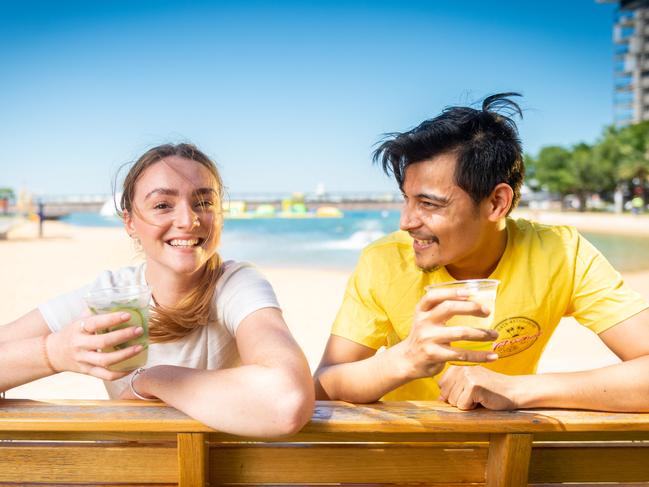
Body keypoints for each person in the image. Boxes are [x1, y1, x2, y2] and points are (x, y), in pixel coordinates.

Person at [314, 93, 649, 412]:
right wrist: (403, 359)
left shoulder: (562, 253)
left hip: (507, 455)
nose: (405, 222)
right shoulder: (384, 261)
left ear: (496, 202)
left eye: (429, 204)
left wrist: (516, 390)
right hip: (402, 460)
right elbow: (326, 384)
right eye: (406, 199)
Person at [0, 143, 314, 436]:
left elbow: (286, 400)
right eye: (163, 205)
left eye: (203, 203)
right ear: (130, 223)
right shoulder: (111, 294)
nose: (188, 220)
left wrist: (152, 380)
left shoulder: (236, 285)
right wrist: (53, 353)